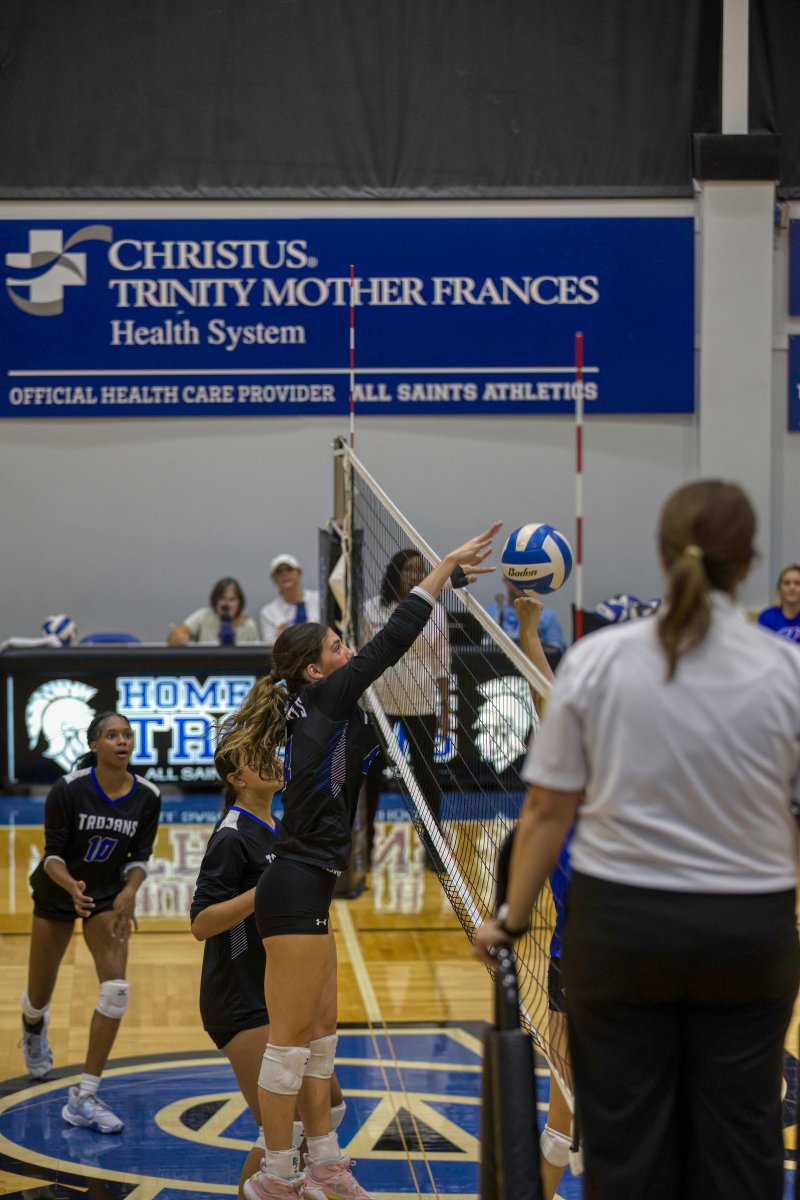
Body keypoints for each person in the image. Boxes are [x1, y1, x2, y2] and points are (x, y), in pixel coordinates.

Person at [475, 480, 800, 1200]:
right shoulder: (786, 670)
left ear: (661, 556)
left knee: (625, 1137)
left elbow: (546, 810)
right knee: (743, 1133)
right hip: (747, 930)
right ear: (749, 564)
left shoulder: (600, 662)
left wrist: (509, 921)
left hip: (622, 930)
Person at [219, 522, 500, 1200]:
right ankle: (276, 1178)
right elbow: (392, 640)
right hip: (293, 883)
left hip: (312, 882)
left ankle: (323, 1164)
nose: (349, 648)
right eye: (337, 645)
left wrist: (451, 587)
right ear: (316, 670)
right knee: (289, 1044)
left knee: (321, 1036)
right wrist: (439, 570)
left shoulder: (330, 705)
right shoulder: (325, 696)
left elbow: (399, 656)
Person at [191, 742, 345, 1199]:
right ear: (236, 780)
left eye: (272, 754)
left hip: (279, 990)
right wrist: (270, 891)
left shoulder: (281, 829)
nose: (275, 762)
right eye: (257, 760)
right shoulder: (231, 836)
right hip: (238, 996)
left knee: (330, 1107)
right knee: (283, 1128)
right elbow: (201, 922)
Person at [21, 711, 161, 1134]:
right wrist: (70, 887)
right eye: (112, 735)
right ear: (94, 744)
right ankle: (33, 1028)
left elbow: (140, 859)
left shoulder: (148, 796)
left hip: (106, 897)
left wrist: (130, 891)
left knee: (116, 990)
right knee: (38, 997)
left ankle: (84, 1095)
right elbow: (52, 855)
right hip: (57, 891)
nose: (122, 741)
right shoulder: (68, 789)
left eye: (127, 735)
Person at [513, 596, 574, 1200]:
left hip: (583, 959)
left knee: (569, 1110)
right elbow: (544, 697)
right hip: (598, 958)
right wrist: (529, 632)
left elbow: (546, 699)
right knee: (570, 1112)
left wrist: (530, 630)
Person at [362, 549, 452, 867]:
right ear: (395, 572)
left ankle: (433, 847)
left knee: (426, 776)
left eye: (420, 570)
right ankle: (364, 845)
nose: (415, 575)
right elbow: (360, 656)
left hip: (420, 702)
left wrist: (445, 710)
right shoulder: (371, 608)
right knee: (370, 775)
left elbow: (443, 665)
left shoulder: (436, 611)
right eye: (409, 569)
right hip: (378, 703)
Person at [168, 577, 260, 645]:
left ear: (240, 602)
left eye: (232, 600)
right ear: (215, 600)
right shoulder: (203, 616)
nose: (227, 604)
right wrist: (177, 637)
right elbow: (179, 632)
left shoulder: (249, 625)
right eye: (223, 599)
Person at [485, 578, 565, 653]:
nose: (520, 582)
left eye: (525, 578)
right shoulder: (488, 613)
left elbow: (556, 653)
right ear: (505, 579)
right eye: (515, 577)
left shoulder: (548, 617)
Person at [259, 555, 320, 646]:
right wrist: (280, 639)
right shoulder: (268, 612)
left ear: (299, 574)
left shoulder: (319, 600)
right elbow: (269, 646)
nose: (284, 574)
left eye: (289, 570)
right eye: (279, 572)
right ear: (274, 579)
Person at [757, 562, 800, 644]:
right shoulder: (767, 617)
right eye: (787, 583)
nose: (792, 587)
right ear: (779, 588)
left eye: (797, 583)